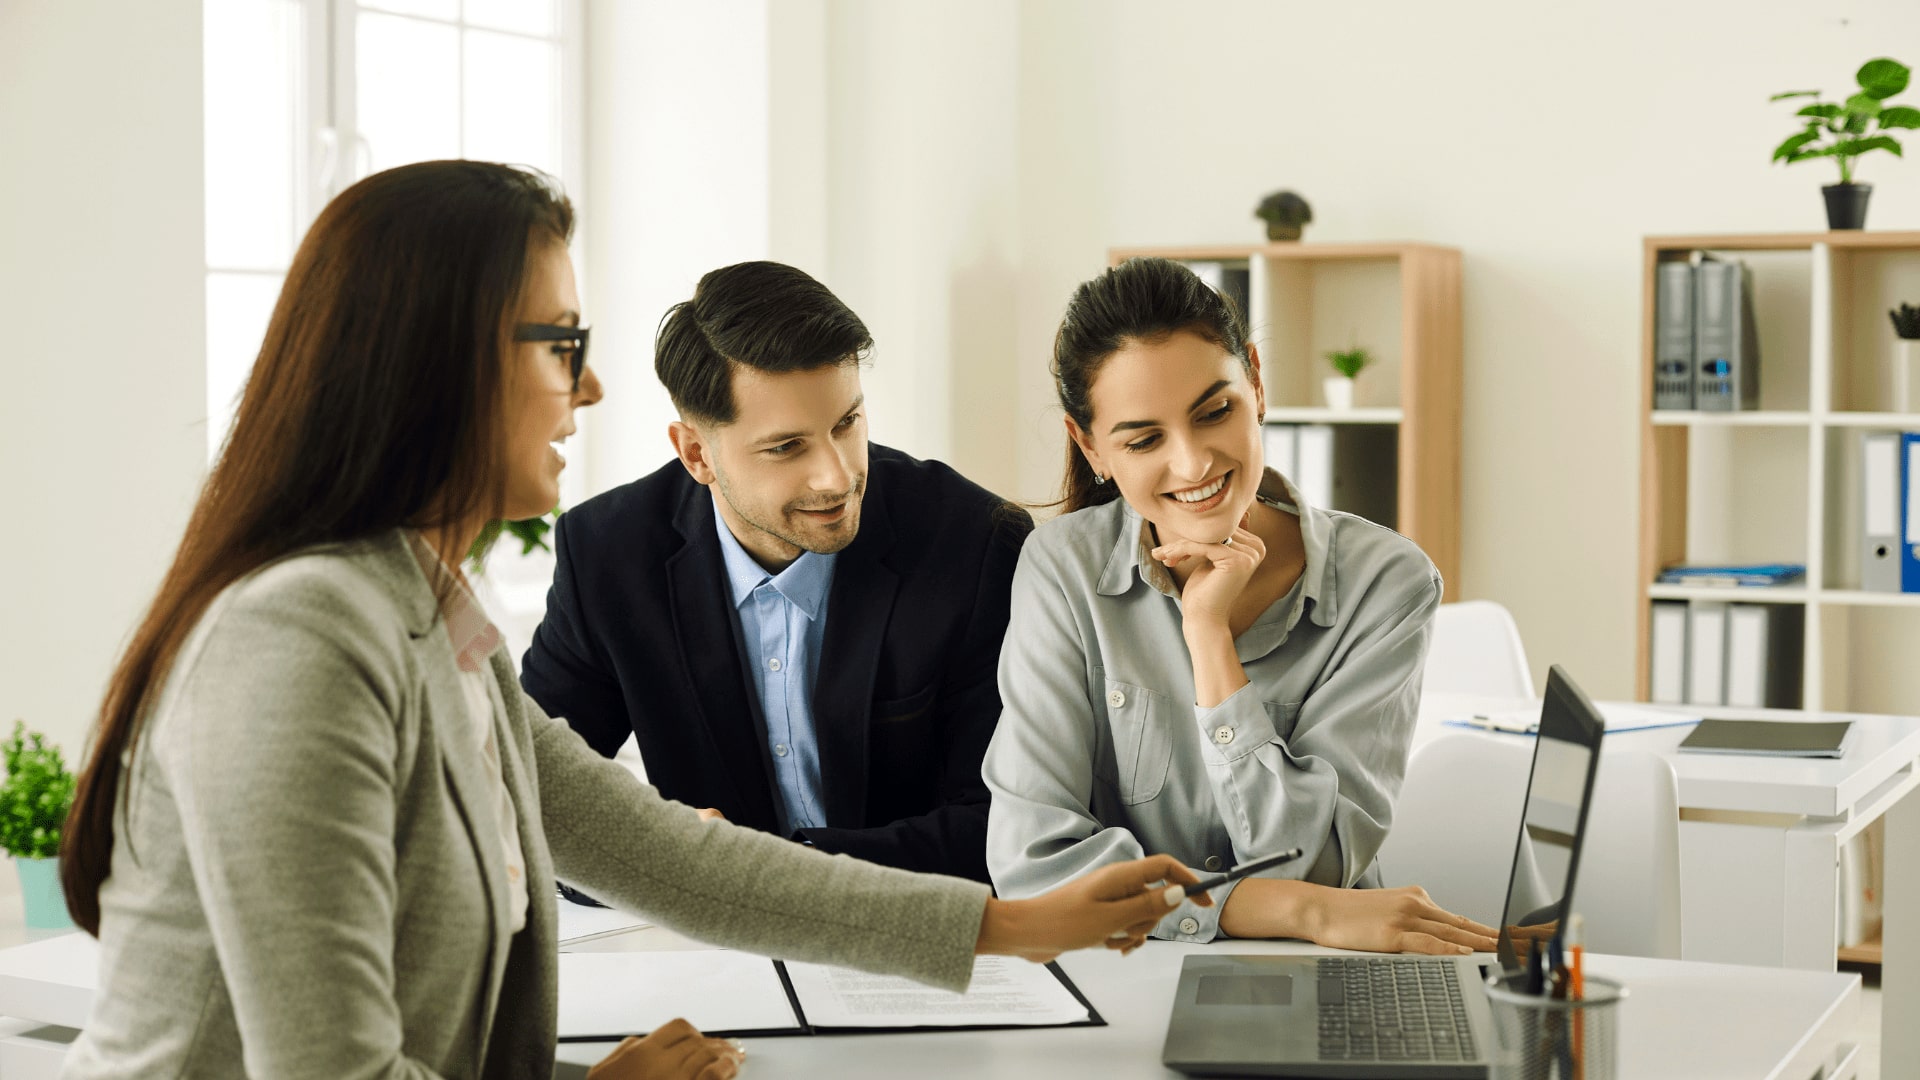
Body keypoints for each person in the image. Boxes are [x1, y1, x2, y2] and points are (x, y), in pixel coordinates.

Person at [57, 163, 1204, 1080]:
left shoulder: (430, 617)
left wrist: (1015, 928)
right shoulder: (299, 639)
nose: (592, 387)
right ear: (436, 367)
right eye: (562, 346)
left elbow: (664, 856)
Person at [983, 256, 1497, 955]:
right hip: (1127, 973)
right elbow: (1034, 866)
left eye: (1214, 412)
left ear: (1255, 382)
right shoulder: (1061, 568)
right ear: (1090, 446)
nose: (1194, 463)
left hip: (1320, 971)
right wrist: (1295, 910)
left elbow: (1316, 866)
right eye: (1144, 439)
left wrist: (1209, 640)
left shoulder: (1386, 582)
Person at [520, 260, 1027, 884]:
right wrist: (657, 851)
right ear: (697, 454)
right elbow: (528, 799)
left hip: (925, 927)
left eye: (847, 423)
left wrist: (764, 874)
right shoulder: (607, 555)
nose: (838, 476)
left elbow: (1005, 825)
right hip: (705, 937)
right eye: (787, 447)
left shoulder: (975, 541)